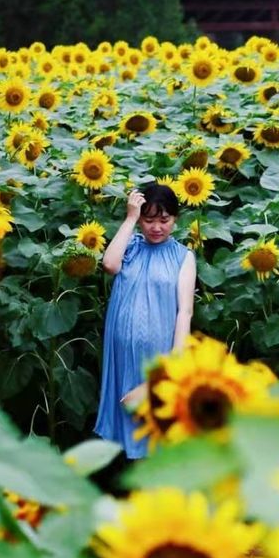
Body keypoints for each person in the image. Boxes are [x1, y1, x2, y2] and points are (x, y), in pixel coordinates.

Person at [93, 183, 196, 459]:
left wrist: (174, 360)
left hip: (157, 356)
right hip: (122, 355)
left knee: (154, 427)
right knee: (125, 425)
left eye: (164, 220)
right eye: (148, 220)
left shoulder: (183, 257)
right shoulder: (131, 247)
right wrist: (129, 217)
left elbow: (184, 311)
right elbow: (109, 265)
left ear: (175, 219)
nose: (156, 227)